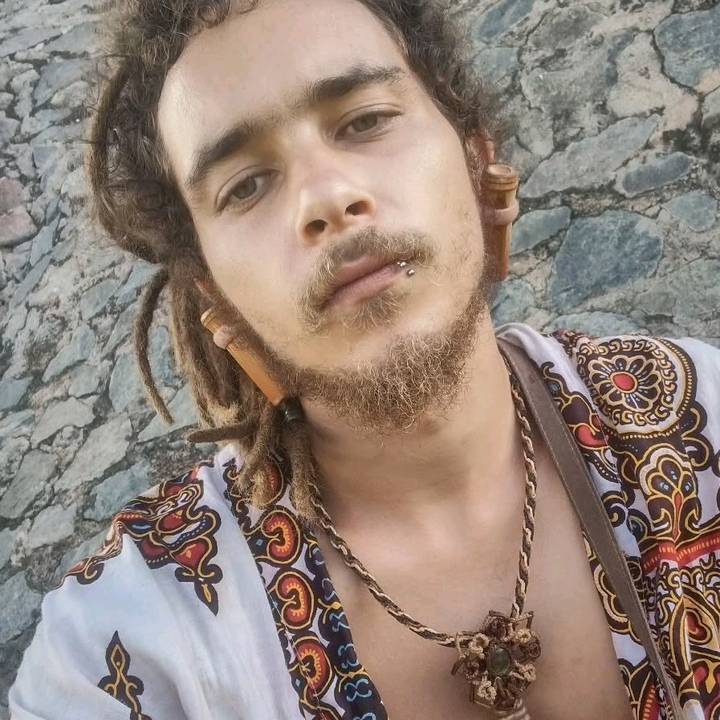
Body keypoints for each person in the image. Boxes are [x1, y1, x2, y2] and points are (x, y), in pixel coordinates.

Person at [9, 0, 720, 718]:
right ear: (213, 293)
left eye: (366, 120)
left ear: (477, 157)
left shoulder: (703, 420)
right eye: (245, 185)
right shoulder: (129, 645)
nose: (327, 197)